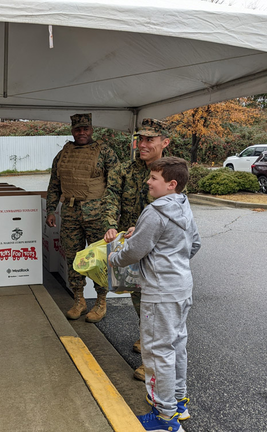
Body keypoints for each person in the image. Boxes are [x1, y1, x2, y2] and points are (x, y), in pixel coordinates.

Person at [108, 157, 201, 432]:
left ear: (171, 184)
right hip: (182, 288)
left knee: (157, 352)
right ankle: (179, 405)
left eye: (154, 178)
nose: (148, 182)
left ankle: (164, 418)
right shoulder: (183, 205)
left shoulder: (155, 211)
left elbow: (134, 252)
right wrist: (172, 260)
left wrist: (114, 257)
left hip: (160, 294)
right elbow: (193, 243)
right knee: (176, 346)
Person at [102, 118, 171, 381]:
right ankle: (147, 338)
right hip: (132, 246)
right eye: (139, 139)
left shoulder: (172, 172)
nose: (142, 144)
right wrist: (110, 224)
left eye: (149, 140)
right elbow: (110, 198)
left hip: (159, 251)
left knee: (155, 305)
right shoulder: (124, 170)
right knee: (139, 299)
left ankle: (152, 366)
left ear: (164, 142)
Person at [46, 113, 118, 322]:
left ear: (92, 129)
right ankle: (79, 300)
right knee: (74, 258)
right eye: (78, 129)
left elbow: (115, 186)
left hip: (98, 215)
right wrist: (51, 209)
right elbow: (54, 185)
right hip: (70, 213)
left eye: (86, 128)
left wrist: (113, 216)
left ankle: (101, 302)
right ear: (72, 130)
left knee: (99, 260)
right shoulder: (63, 154)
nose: (82, 132)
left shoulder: (105, 153)